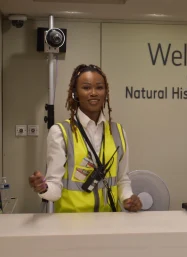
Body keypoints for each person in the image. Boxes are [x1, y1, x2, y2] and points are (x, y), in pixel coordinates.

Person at [29, 64, 142, 213]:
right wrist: (43, 188)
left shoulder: (118, 131)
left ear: (106, 93)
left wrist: (128, 198)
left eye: (99, 87)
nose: (94, 93)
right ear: (75, 93)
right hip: (72, 225)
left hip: (110, 222)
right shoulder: (61, 132)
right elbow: (55, 188)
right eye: (87, 87)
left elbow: (122, 180)